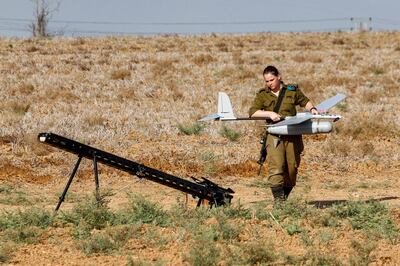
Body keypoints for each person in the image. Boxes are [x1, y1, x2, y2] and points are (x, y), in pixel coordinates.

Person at [248, 65, 318, 201]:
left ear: (279, 77)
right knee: (276, 167)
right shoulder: (263, 94)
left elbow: (305, 101)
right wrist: (270, 113)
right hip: (274, 136)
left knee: (292, 169)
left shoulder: (292, 90)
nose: (269, 84)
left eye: (272, 80)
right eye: (266, 81)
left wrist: (313, 109)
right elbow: (253, 112)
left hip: (293, 136)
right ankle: (279, 202)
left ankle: (284, 198)